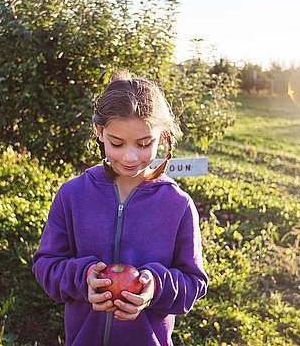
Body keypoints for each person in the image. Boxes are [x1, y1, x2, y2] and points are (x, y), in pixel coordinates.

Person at [32, 70, 208, 346]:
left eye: (144, 143)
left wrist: (155, 288)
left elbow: (193, 283)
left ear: (161, 137)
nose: (130, 156)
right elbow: (46, 265)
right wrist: (84, 278)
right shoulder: (73, 195)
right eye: (116, 143)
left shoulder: (177, 205)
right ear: (99, 132)